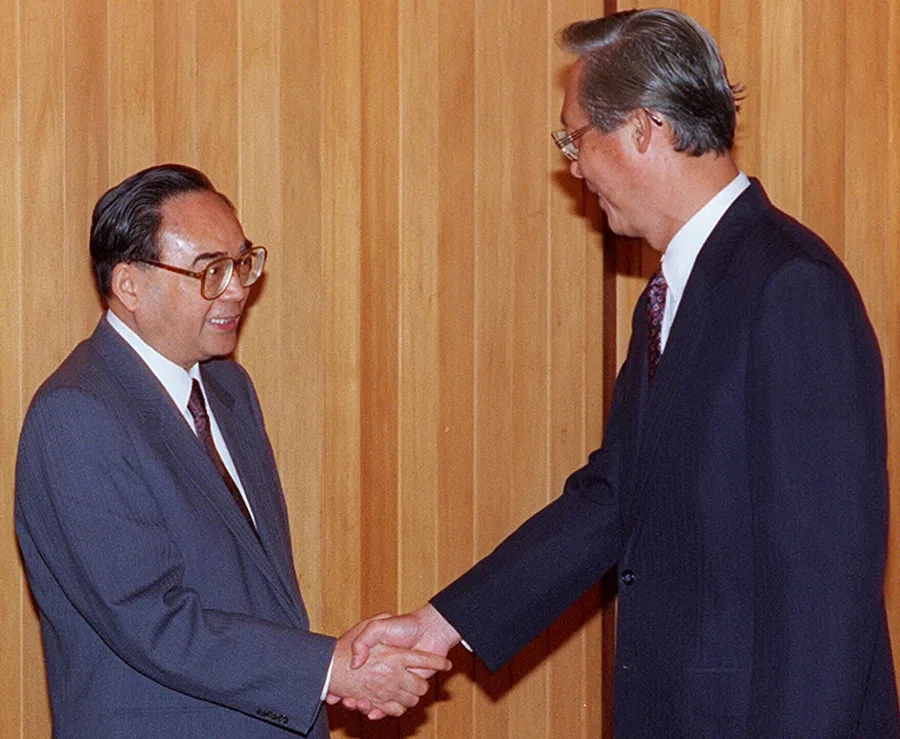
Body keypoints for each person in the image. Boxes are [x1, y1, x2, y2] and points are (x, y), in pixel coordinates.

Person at [345, 9, 899, 737]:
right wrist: (442, 624)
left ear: (644, 129)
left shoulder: (789, 288)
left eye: (575, 137)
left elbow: (825, 595)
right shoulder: (672, 296)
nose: (572, 165)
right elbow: (615, 496)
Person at [15, 164, 449, 738]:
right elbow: (152, 620)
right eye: (210, 271)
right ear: (130, 286)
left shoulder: (227, 388)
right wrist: (329, 671)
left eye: (242, 263)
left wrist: (334, 670)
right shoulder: (77, 414)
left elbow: (258, 592)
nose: (238, 289)